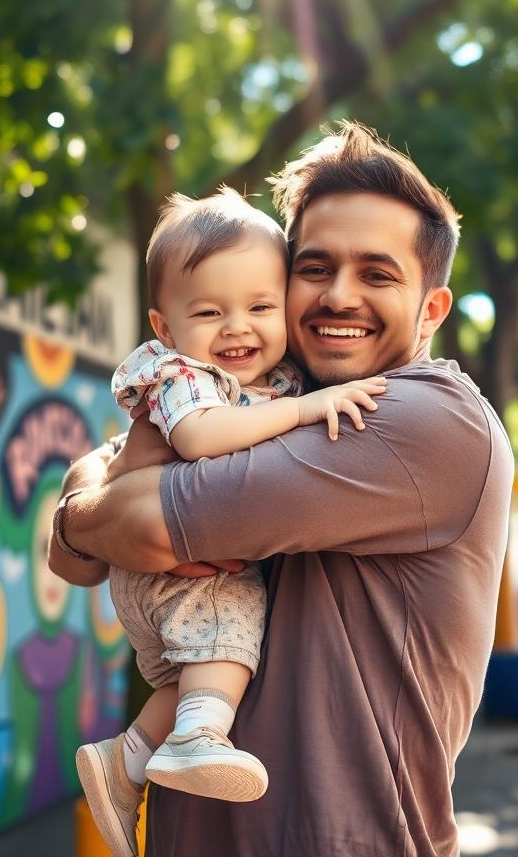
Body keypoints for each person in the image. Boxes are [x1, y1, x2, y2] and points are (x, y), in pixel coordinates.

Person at [49, 121, 513, 857]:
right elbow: (78, 539)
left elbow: (127, 522)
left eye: (378, 274)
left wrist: (85, 509)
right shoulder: (268, 402)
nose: (338, 296)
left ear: (432, 309)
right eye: (315, 267)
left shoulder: (421, 420)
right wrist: (86, 509)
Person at [74, 187, 386, 855]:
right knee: (233, 620)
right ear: (164, 326)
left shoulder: (274, 377)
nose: (238, 327)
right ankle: (196, 741)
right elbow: (201, 438)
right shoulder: (185, 375)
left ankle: (126, 761)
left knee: (197, 672)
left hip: (170, 568)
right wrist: (307, 410)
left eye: (260, 307)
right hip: (180, 569)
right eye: (210, 311)